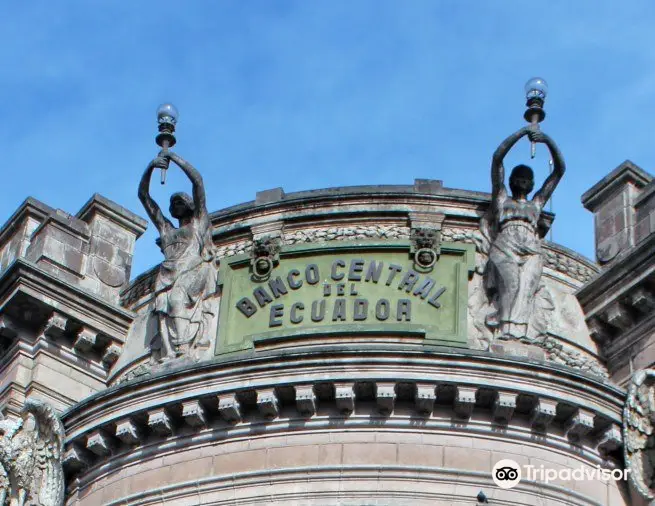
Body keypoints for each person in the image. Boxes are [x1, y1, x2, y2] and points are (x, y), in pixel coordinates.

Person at [483, 124, 565, 339]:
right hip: (505, 245)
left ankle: (522, 333)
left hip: (531, 248)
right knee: (511, 285)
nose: (522, 181)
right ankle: (505, 328)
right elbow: (497, 159)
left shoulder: (536, 204)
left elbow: (558, 171)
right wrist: (520, 133)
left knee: (527, 290)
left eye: (527, 179)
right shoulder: (501, 199)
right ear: (510, 181)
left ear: (532, 184)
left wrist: (547, 140)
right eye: (518, 177)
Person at [138, 150, 217, 361]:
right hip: (167, 274)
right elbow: (144, 197)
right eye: (173, 203)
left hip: (191, 270)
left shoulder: (199, 223)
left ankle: (183, 348)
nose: (176, 205)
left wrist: (173, 157)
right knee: (163, 309)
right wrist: (151, 168)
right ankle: (170, 352)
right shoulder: (166, 230)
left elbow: (197, 182)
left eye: (181, 201)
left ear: (190, 205)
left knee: (176, 299)